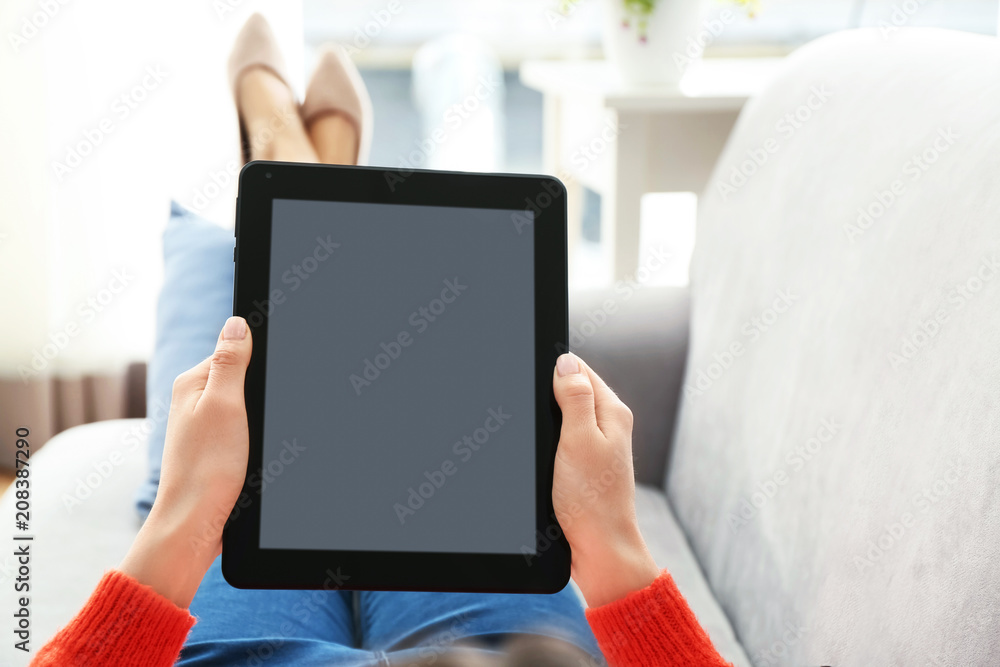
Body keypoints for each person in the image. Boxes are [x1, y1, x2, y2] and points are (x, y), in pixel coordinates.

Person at [31, 15, 732, 667]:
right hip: (504, 648)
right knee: (423, 436)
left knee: (240, 372)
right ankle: (313, 181)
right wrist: (611, 548)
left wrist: (183, 520)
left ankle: (300, 176)